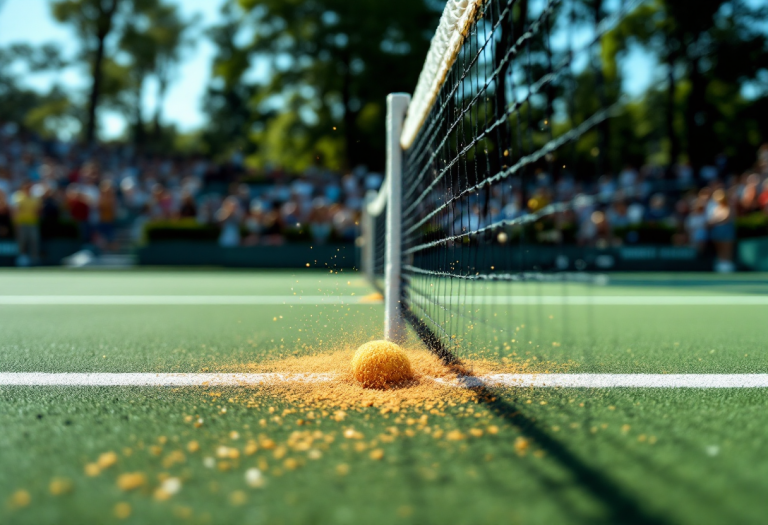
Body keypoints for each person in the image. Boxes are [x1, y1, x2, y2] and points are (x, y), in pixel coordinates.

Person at [11, 181, 41, 266]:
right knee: (22, 241)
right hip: (22, 223)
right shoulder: (18, 196)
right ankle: (22, 258)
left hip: (33, 223)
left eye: (29, 186)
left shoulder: (35, 198)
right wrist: (16, 223)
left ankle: (34, 259)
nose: (28, 188)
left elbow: (37, 211)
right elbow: (15, 211)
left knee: (34, 240)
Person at [708, 189, 735, 273]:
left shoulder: (729, 207)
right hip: (717, 230)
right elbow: (713, 218)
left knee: (727, 247)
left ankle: (728, 264)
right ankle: (722, 263)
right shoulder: (716, 208)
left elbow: (726, 218)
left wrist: (715, 221)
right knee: (719, 248)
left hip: (726, 230)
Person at [97, 180, 118, 251]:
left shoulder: (112, 199)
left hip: (109, 221)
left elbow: (113, 209)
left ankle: (113, 251)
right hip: (102, 221)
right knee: (102, 239)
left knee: (111, 237)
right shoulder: (100, 198)